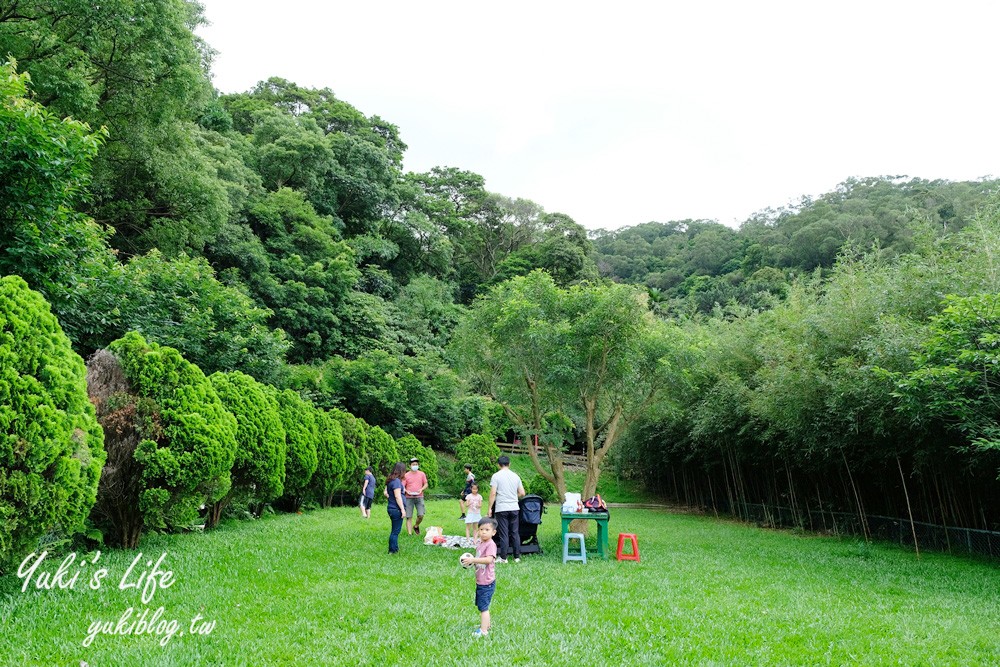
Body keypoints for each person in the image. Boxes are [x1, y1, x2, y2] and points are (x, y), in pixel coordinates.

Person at [460, 517, 497, 637]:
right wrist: (472, 562)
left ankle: (483, 631)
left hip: (487, 582)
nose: (484, 532)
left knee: (483, 607)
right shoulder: (481, 544)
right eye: (481, 529)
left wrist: (473, 559)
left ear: (493, 532)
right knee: (482, 605)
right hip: (481, 581)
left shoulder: (491, 544)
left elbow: (488, 560)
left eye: (487, 529)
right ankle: (487, 625)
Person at [488, 455, 525, 563]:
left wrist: (489, 508)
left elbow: (493, 493)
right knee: (515, 532)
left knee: (504, 533)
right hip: (514, 507)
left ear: (498, 465)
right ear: (509, 464)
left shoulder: (496, 476)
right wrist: (513, 496)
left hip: (501, 508)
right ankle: (516, 557)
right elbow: (522, 493)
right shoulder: (516, 476)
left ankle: (503, 557)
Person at [384, 462, 406, 554]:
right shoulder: (396, 481)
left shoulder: (391, 480)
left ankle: (395, 548)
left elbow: (386, 492)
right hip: (396, 509)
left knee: (395, 530)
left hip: (391, 508)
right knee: (395, 531)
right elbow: (397, 496)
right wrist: (402, 509)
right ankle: (392, 550)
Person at [402, 457, 428, 535]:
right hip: (409, 497)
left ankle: (416, 526)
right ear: (410, 465)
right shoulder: (406, 475)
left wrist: (421, 489)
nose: (415, 466)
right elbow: (402, 486)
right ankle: (409, 534)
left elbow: (426, 484)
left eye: (416, 464)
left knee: (421, 515)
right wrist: (407, 491)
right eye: (413, 464)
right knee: (408, 516)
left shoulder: (422, 474)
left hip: (419, 496)